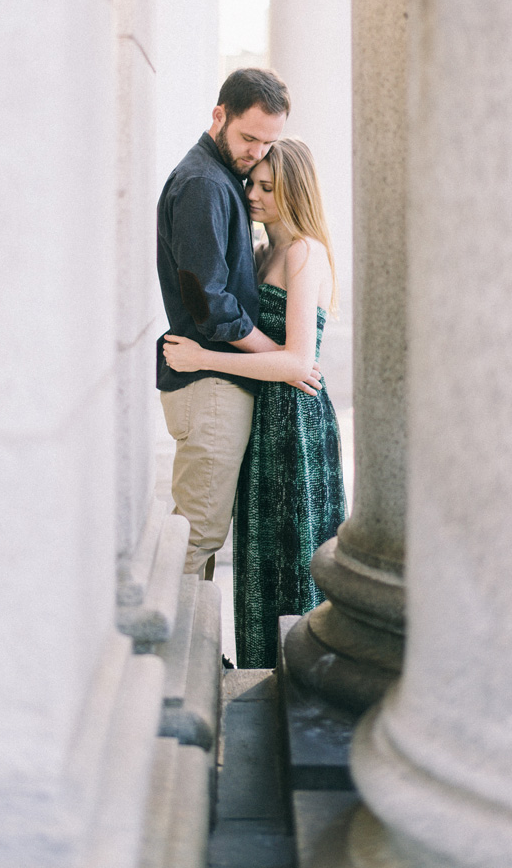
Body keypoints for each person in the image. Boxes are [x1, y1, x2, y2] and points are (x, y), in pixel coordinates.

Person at [163, 137, 348, 668]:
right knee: (259, 551)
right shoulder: (264, 252)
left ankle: (296, 674)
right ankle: (260, 668)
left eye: (268, 188)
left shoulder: (304, 253)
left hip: (296, 421)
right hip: (266, 415)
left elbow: (295, 364)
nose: (253, 194)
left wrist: (206, 359)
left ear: (294, 194)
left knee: (292, 552)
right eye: (252, 182)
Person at [157, 68, 318, 581]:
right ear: (218, 114)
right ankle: (146, 645)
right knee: (200, 532)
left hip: (219, 383)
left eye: (266, 143)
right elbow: (211, 302)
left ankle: (192, 647)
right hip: (210, 387)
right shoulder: (205, 182)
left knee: (203, 528)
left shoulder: (225, 178)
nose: (255, 153)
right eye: (248, 137)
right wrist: (280, 356)